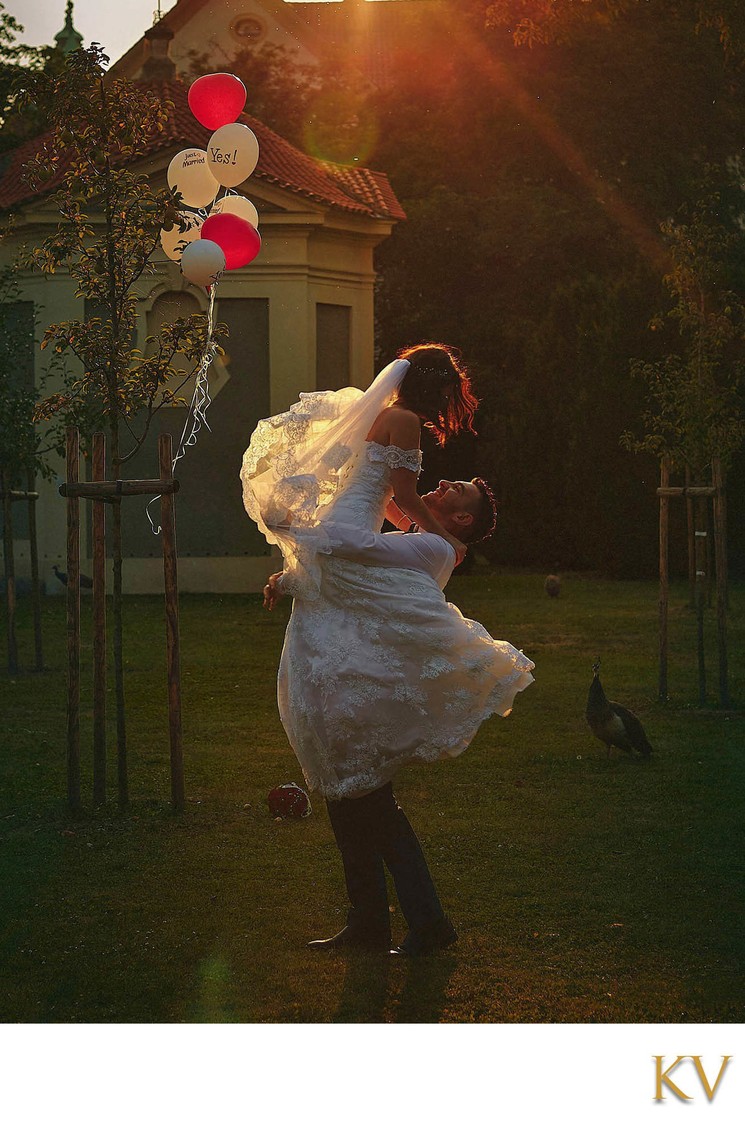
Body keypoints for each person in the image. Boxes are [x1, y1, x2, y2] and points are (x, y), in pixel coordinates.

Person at [262, 478, 534, 957]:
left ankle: (423, 922)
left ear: (463, 520)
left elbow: (355, 546)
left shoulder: (436, 549)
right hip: (352, 671)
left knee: (371, 806)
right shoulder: (422, 540)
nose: (444, 482)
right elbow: (349, 572)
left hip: (371, 684)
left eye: (458, 490)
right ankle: (372, 922)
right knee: (346, 799)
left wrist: (292, 525)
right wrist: (286, 579)